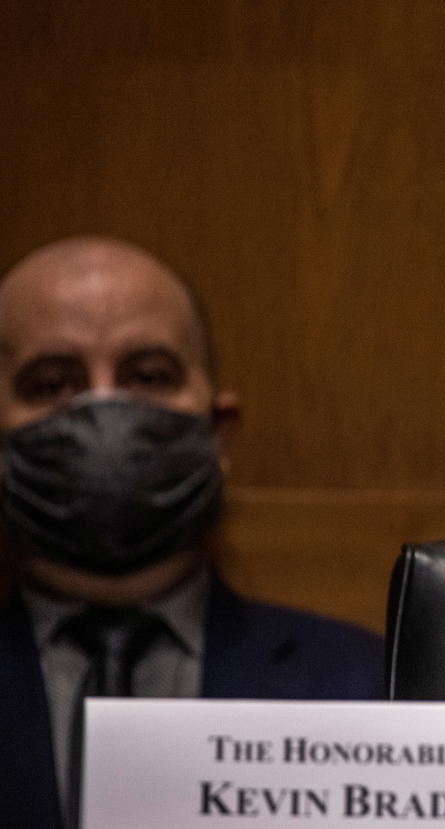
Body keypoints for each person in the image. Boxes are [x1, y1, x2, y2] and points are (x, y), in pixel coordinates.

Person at [0, 236, 385, 829]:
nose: (106, 411)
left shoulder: (371, 686)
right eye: (54, 385)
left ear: (219, 432)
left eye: (148, 376)